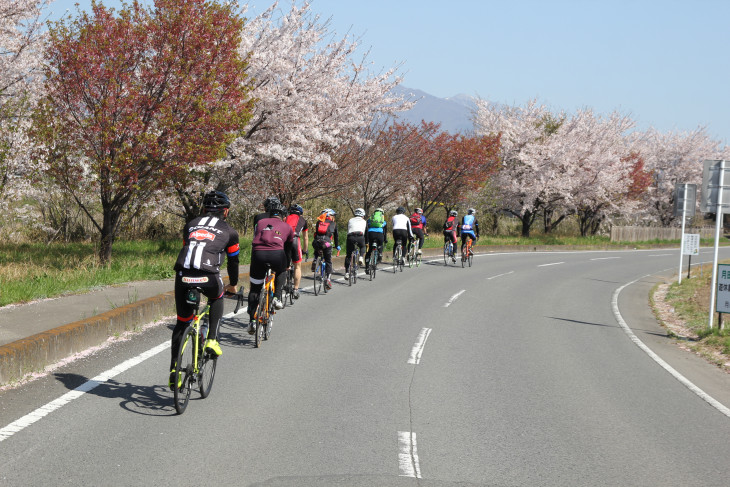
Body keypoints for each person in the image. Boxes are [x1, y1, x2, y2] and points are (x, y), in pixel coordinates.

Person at [170, 191, 239, 389]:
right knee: (217, 297)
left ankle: (175, 371)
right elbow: (234, 261)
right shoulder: (230, 231)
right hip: (208, 275)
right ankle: (212, 340)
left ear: (204, 209)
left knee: (182, 322)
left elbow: (189, 247)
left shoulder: (190, 225)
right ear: (225, 211)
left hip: (183, 275)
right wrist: (232, 284)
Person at [247, 201, 294, 334]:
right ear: (284, 216)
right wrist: (287, 265)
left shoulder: (260, 223)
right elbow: (288, 249)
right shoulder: (287, 226)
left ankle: (252, 322)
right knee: (282, 270)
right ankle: (277, 298)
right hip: (276, 255)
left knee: (255, 289)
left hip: (257, 255)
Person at [311, 208, 340, 289]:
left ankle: (315, 259)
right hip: (326, 243)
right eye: (333, 215)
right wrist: (337, 245)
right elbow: (336, 236)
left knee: (317, 248)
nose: (333, 217)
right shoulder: (333, 223)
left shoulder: (318, 222)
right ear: (329, 215)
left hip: (316, 242)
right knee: (328, 261)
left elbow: (316, 233)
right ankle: (328, 279)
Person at [285, 203, 309, 299]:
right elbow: (306, 237)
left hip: (284, 240)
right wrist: (304, 250)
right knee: (297, 266)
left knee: (283, 265)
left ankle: (283, 284)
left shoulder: (285, 218)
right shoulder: (303, 220)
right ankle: (295, 289)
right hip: (295, 240)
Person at [344, 208, 367, 279]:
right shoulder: (364, 221)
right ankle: (360, 257)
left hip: (351, 237)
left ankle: (347, 273)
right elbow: (366, 233)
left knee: (348, 255)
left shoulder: (350, 220)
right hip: (360, 236)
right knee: (363, 247)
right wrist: (366, 242)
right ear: (363, 215)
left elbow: (348, 229)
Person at [364, 207, 387, 272]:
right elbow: (385, 232)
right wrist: (385, 239)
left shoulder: (370, 219)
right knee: (380, 245)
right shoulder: (383, 221)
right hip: (380, 235)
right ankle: (380, 253)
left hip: (371, 234)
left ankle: (367, 267)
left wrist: (366, 239)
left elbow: (366, 229)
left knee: (369, 252)